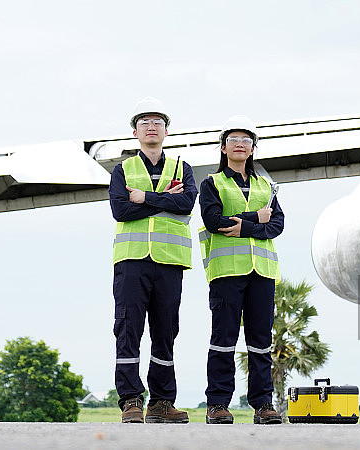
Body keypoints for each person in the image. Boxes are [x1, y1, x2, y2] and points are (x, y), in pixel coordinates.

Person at [108, 97, 197, 424]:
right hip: (131, 260)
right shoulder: (123, 170)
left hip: (170, 261)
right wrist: (164, 200)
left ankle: (161, 403)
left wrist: (143, 197)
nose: (151, 126)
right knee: (128, 328)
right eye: (144, 122)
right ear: (135, 132)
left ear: (166, 131)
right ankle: (130, 399)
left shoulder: (182, 168)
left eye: (157, 121)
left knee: (165, 331)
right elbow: (121, 209)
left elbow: (186, 204)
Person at [198, 115, 284, 425]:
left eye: (245, 141)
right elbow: (214, 221)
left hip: (262, 271)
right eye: (233, 140)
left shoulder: (266, 185)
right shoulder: (211, 183)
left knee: (261, 340)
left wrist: (244, 226)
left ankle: (263, 404)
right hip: (226, 271)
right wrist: (255, 219)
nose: (239, 144)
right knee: (223, 338)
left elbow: (277, 224)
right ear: (223, 148)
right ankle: (217, 404)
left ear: (252, 149)